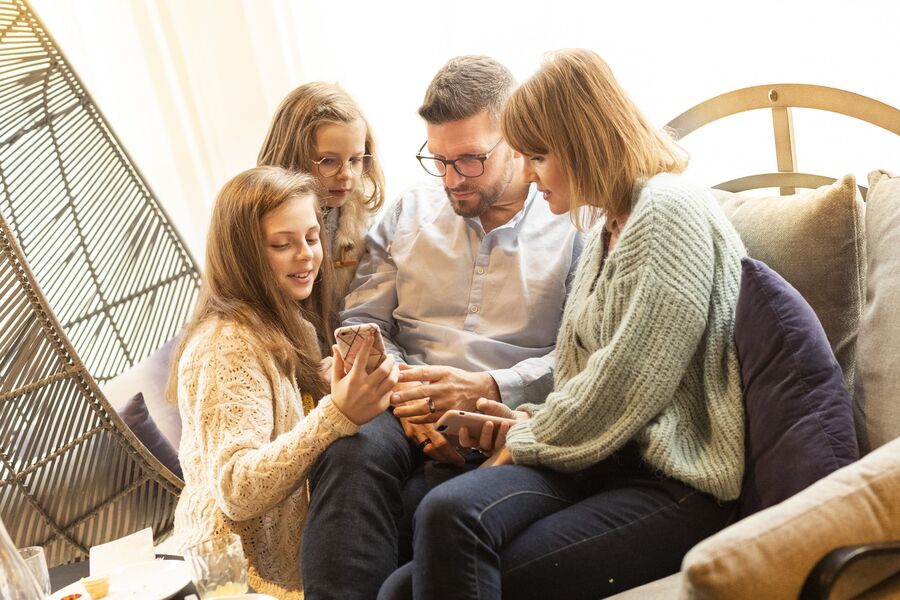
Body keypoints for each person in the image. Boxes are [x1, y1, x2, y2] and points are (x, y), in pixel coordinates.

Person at [378, 48, 748, 600]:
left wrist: (525, 436)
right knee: (399, 587)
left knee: (451, 513)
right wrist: (519, 417)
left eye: (539, 157)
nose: (528, 175)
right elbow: (584, 377)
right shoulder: (607, 230)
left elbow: (627, 383)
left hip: (672, 484)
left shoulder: (670, 211)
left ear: (582, 146)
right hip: (604, 462)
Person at [299, 56, 583, 600]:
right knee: (348, 447)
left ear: (516, 140)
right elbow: (363, 320)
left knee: (439, 501)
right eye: (440, 159)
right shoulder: (408, 209)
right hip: (401, 402)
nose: (453, 179)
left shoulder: (571, 220)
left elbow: (583, 353)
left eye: (471, 160)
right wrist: (400, 385)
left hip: (505, 409)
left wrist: (494, 388)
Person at [169, 166, 399, 599]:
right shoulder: (226, 344)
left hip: (281, 571)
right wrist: (336, 414)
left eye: (312, 238)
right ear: (243, 254)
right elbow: (237, 488)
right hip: (235, 580)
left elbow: (286, 432)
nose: (307, 255)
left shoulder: (292, 327)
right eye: (282, 244)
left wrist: (328, 388)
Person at [258, 82, 386, 304]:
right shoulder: (261, 219)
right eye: (328, 161)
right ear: (292, 156)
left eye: (355, 160)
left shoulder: (361, 217)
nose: (346, 175)